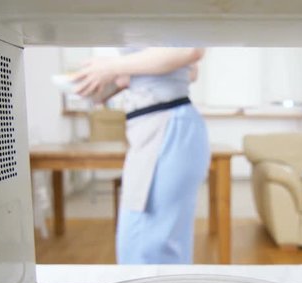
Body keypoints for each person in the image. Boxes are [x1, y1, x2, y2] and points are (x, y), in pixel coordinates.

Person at [73, 48, 210, 264]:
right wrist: (125, 78)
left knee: (143, 249)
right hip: (158, 126)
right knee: (156, 246)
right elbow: (189, 71)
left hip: (166, 128)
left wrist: (113, 67)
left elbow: (190, 50)